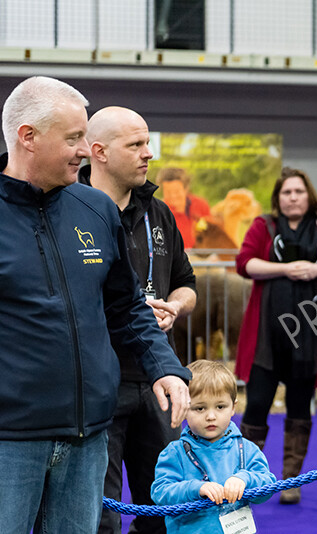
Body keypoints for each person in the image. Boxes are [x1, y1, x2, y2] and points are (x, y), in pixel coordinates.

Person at [0, 76, 192, 534]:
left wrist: (164, 366)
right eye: (72, 139)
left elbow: (126, 307)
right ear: (28, 137)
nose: (84, 150)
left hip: (87, 437)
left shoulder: (95, 209)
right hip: (10, 441)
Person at [79, 106, 198, 534]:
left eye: (147, 143)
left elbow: (187, 284)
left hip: (156, 382)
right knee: (99, 516)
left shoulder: (160, 213)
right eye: (136, 144)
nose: (148, 153)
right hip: (96, 383)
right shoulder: (71, 211)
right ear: (99, 152)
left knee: (164, 508)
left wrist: (174, 306)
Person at [235, 167, 317, 504]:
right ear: (278, 198)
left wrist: (316, 269)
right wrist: (285, 269)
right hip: (266, 337)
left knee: (300, 407)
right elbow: (245, 263)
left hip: (309, 337)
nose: (292, 198)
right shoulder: (264, 226)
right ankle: (248, 479)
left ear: (309, 195)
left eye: (298, 191)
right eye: (286, 193)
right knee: (256, 405)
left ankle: (291, 480)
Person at [152, 359, 277, 534]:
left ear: (233, 407)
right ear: (184, 407)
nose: (211, 416)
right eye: (200, 408)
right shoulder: (174, 453)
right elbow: (161, 493)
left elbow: (268, 486)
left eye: (220, 406)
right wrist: (196, 488)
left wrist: (245, 479)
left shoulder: (247, 449)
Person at [156, 166, 212, 249]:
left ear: (186, 189)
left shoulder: (201, 205)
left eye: (177, 191)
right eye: (168, 192)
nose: (173, 196)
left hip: (202, 258)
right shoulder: (159, 212)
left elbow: (211, 235)